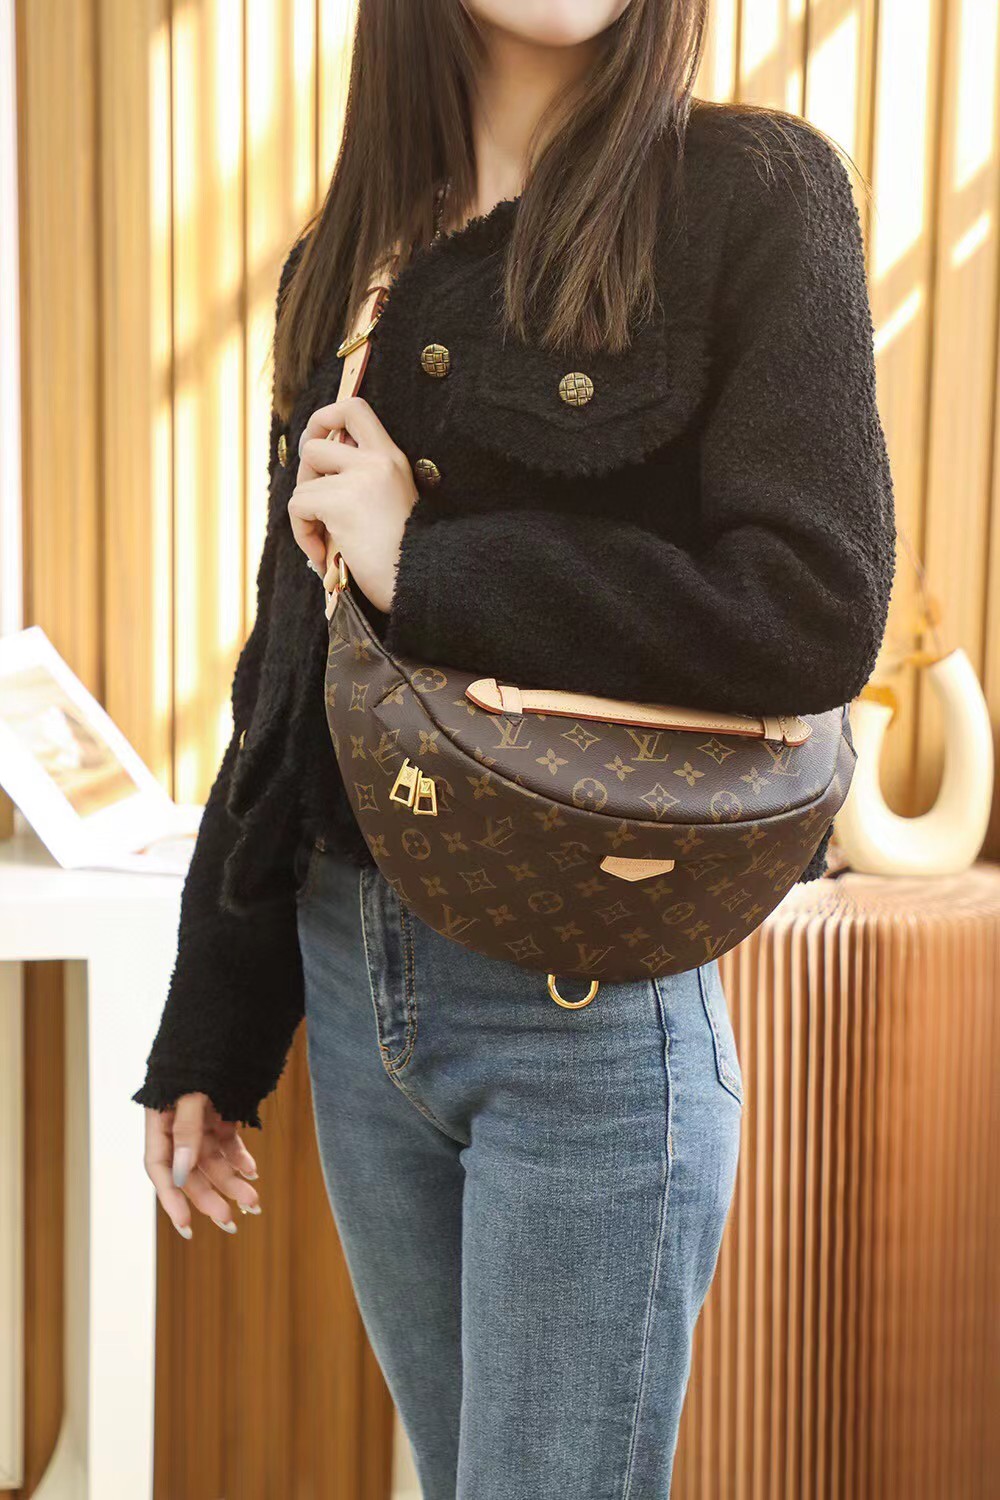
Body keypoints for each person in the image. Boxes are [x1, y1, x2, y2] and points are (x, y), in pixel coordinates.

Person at [133, 1, 896, 1494]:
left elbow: (811, 612)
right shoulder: (341, 261)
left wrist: (432, 567)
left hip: (587, 1009)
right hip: (354, 984)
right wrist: (213, 1025)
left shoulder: (750, 197)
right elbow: (290, 676)